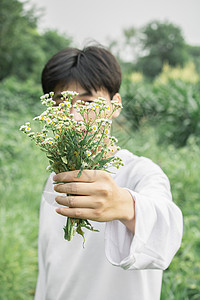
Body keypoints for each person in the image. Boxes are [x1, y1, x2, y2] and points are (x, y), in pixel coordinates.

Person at [35, 45, 183, 300]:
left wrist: (126, 205)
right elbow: (48, 266)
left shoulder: (141, 172)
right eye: (61, 103)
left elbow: (166, 229)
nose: (74, 116)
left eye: (88, 102)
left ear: (115, 105)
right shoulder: (55, 177)